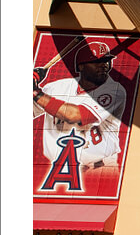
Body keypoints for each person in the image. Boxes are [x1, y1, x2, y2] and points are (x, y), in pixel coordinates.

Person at [33, 41, 127, 190]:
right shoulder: (57, 87)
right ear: (81, 66)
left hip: (100, 169)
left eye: (106, 61)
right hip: (57, 170)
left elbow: (75, 115)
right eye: (97, 61)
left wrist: (35, 92)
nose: (103, 65)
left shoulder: (114, 90)